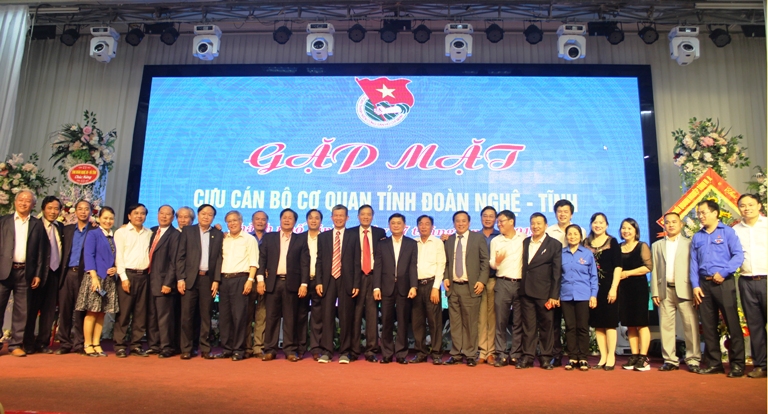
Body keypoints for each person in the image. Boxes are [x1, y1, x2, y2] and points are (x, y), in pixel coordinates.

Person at [691, 199, 746, 376]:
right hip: (704, 284)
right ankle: (714, 363)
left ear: (715, 213)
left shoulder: (728, 232)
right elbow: (693, 263)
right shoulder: (697, 236)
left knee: (732, 323)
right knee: (708, 326)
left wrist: (723, 272)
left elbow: (738, 256)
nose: (700, 216)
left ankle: (737, 364)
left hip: (724, 282)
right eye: (698, 213)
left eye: (703, 212)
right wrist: (695, 285)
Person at [651, 212, 701, 373]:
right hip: (665, 290)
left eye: (674, 222)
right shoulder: (657, 245)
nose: (671, 225)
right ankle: (670, 360)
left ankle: (693, 359)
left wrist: (695, 287)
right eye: (667, 222)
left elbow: (695, 268)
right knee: (666, 327)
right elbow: (654, 270)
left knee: (690, 326)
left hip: (685, 289)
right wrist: (655, 292)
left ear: (681, 224)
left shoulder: (689, 243)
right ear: (664, 225)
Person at [257, 208, 309, 362]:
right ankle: (270, 350)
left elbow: (305, 263)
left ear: (295, 222)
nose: (287, 220)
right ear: (280, 220)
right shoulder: (269, 238)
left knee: (290, 318)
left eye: (290, 218)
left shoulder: (300, 239)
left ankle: (290, 350)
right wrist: (260, 280)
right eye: (284, 217)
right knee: (271, 317)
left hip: (292, 283)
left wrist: (304, 284)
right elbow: (262, 260)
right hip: (272, 283)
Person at [0, 190, 47, 357]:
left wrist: (38, 274)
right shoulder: (3, 221)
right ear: (15, 202)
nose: (23, 203)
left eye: (28, 201)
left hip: (25, 272)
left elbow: (41, 251)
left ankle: (15, 344)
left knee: (22, 310)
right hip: (3, 271)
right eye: (21, 200)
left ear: (33, 205)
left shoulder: (37, 224)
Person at [176, 204, 223, 360]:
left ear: (213, 217)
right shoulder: (188, 231)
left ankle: (205, 348)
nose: (206, 216)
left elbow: (219, 258)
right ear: (198, 215)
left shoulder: (217, 234)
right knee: (187, 316)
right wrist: (180, 278)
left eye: (210, 214)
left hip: (207, 279)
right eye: (203, 213)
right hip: (190, 279)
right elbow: (180, 256)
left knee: (206, 315)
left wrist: (216, 279)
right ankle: (186, 348)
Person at [443, 210, 489, 367]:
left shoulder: (478, 238)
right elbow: (446, 262)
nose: (460, 223)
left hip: (471, 287)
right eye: (457, 221)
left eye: (463, 221)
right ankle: (456, 353)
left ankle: (470, 354)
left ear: (469, 223)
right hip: (453, 288)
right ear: (453, 223)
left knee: (470, 323)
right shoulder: (449, 240)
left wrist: (482, 281)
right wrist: (446, 277)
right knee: (455, 323)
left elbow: (485, 261)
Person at [316, 205, 360, 364]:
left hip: (346, 280)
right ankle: (326, 351)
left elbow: (357, 261)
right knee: (327, 316)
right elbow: (319, 261)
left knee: (345, 317)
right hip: (328, 280)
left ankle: (345, 352)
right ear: (331, 217)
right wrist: (319, 281)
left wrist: (356, 283)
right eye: (336, 215)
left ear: (347, 218)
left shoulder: (353, 236)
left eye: (342, 215)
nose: (339, 218)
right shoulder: (323, 237)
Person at [518, 213, 562, 370]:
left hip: (545, 293)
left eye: (539, 223)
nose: (535, 226)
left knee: (546, 326)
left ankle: (545, 357)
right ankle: (528, 356)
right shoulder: (525, 242)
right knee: (528, 327)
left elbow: (557, 272)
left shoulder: (554, 244)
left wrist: (554, 295)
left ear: (545, 226)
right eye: (533, 223)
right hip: (526, 291)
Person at [373, 213, 418, 364]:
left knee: (403, 322)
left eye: (399, 223)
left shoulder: (411, 243)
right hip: (386, 288)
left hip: (404, 288)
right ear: (389, 225)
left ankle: (401, 354)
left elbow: (413, 266)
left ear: (404, 225)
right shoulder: (382, 244)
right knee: (386, 321)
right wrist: (376, 287)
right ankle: (386, 353)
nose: (396, 225)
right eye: (393, 223)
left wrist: (413, 286)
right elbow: (378, 267)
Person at [546, 199, 585, 366]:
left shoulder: (580, 230)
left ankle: (577, 355)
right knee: (554, 322)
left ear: (571, 214)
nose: (562, 214)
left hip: (575, 284)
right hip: (554, 283)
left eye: (566, 211)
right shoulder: (549, 231)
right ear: (556, 213)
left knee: (575, 324)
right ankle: (556, 354)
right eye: (559, 211)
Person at [75, 207, 119, 357]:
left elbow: (117, 257)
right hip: (96, 278)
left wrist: (115, 268)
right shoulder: (93, 234)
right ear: (99, 218)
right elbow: (89, 255)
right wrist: (94, 277)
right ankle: (87, 344)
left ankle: (96, 343)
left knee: (102, 313)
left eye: (111, 218)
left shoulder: (114, 236)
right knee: (92, 312)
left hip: (109, 279)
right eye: (105, 218)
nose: (108, 221)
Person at [734, 194, 767, 379]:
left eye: (750, 205)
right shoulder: (735, 230)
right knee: (755, 326)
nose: (747, 208)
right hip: (746, 281)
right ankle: (761, 365)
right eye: (743, 205)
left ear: (759, 206)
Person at [217, 211, 258, 361]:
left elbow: (254, 261)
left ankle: (239, 349)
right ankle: (227, 348)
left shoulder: (249, 239)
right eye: (229, 221)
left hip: (241, 279)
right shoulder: (224, 239)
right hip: (224, 280)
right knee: (225, 316)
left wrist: (250, 280)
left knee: (239, 316)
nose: (232, 223)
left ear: (241, 221)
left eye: (235, 220)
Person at [24, 196, 62, 354]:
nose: (53, 212)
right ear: (43, 209)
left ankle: (42, 342)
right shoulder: (34, 225)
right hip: (37, 275)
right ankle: (27, 343)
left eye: (56, 209)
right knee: (31, 310)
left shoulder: (60, 227)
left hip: (54, 274)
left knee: (48, 311)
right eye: (50, 208)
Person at [113, 203, 152, 358]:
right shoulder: (121, 232)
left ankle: (136, 345)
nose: (139, 216)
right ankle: (120, 345)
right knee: (123, 313)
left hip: (144, 276)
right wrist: (123, 278)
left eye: (142, 213)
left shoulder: (149, 233)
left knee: (140, 314)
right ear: (129, 216)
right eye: (136, 213)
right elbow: (119, 256)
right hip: (127, 275)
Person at [56, 200, 95, 355]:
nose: (83, 212)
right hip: (67, 274)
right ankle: (64, 343)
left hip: (84, 274)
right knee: (64, 310)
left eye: (86, 209)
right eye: (80, 209)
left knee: (80, 311)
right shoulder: (67, 229)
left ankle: (79, 343)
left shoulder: (95, 230)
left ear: (91, 212)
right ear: (75, 211)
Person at [584, 212, 622, 370]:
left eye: (601, 222)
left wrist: (614, 288)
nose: (598, 225)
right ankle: (603, 356)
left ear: (606, 225)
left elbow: (618, 266)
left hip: (608, 287)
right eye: (595, 222)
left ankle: (611, 356)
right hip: (591, 289)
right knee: (598, 323)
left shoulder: (612, 242)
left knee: (610, 323)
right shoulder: (585, 243)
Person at [489, 210, 526, 368]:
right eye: (498, 222)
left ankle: (516, 354)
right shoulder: (495, 241)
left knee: (518, 321)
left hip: (520, 284)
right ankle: (501, 354)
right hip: (502, 282)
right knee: (501, 321)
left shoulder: (524, 238)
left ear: (511, 221)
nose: (499, 224)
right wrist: (496, 262)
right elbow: (492, 263)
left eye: (501, 221)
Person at [350, 204, 385, 362]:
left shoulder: (380, 233)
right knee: (355, 315)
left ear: (372, 216)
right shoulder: (350, 233)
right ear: (358, 216)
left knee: (372, 315)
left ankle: (371, 350)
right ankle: (354, 350)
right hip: (355, 279)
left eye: (369, 214)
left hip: (373, 277)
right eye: (363, 214)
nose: (365, 217)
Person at [560, 225, 597, 371]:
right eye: (570, 234)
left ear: (581, 237)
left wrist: (593, 295)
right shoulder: (561, 254)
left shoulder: (587, 254)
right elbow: (557, 276)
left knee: (582, 327)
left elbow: (593, 276)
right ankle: (572, 357)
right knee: (570, 327)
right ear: (566, 236)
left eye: (575, 234)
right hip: (566, 295)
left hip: (583, 295)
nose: (572, 236)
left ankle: (583, 358)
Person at [618, 218, 653, 371]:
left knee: (641, 323)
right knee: (630, 324)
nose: (626, 231)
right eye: (623, 228)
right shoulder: (618, 247)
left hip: (639, 288)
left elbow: (648, 267)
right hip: (623, 289)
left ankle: (643, 357)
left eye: (629, 228)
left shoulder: (641, 246)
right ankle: (634, 355)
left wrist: (627, 273)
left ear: (636, 231)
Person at [411, 215, 446, 365]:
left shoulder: (438, 243)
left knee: (434, 321)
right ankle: (421, 352)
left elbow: (441, 265)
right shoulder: (412, 243)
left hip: (432, 285)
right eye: (421, 224)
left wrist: (436, 287)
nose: (424, 226)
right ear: (417, 227)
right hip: (415, 286)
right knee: (417, 321)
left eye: (427, 224)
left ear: (432, 227)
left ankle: (436, 353)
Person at [146, 205, 180, 358]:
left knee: (164, 317)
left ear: (172, 217)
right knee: (152, 315)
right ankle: (154, 345)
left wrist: (168, 283)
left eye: (168, 214)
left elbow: (174, 262)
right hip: (149, 280)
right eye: (161, 213)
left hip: (164, 282)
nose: (164, 216)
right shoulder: (152, 231)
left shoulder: (175, 235)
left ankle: (166, 347)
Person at [478, 206, 500, 364]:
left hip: (494, 280)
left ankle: (491, 351)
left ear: (496, 219)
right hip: (478, 282)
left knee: (492, 318)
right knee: (480, 317)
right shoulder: (474, 236)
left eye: (491, 216)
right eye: (485, 216)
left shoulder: (500, 236)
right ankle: (481, 351)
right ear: (480, 218)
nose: (487, 218)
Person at [246, 210, 268, 359]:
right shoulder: (246, 238)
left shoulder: (271, 238)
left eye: (263, 219)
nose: (260, 222)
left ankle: (258, 347)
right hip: (247, 280)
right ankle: (246, 347)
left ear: (267, 222)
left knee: (262, 314)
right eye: (257, 219)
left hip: (265, 281)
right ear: (252, 222)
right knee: (246, 315)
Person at [303, 209, 324, 360]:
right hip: (301, 282)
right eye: (311, 218)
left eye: (317, 218)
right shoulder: (299, 238)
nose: (313, 220)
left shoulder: (326, 238)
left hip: (319, 281)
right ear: (307, 220)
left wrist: (320, 281)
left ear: (321, 221)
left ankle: (316, 348)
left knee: (317, 316)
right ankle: (300, 347)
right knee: (300, 315)